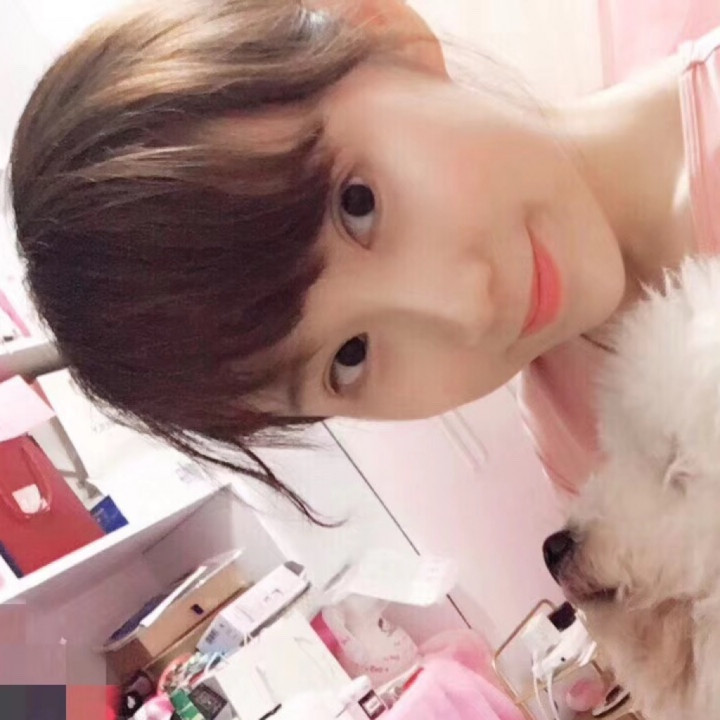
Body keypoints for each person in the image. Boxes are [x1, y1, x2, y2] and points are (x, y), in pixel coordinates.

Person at [7, 0, 719, 517]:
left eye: (358, 204)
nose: (465, 309)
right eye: (348, 359)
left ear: (377, 27)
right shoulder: (578, 446)